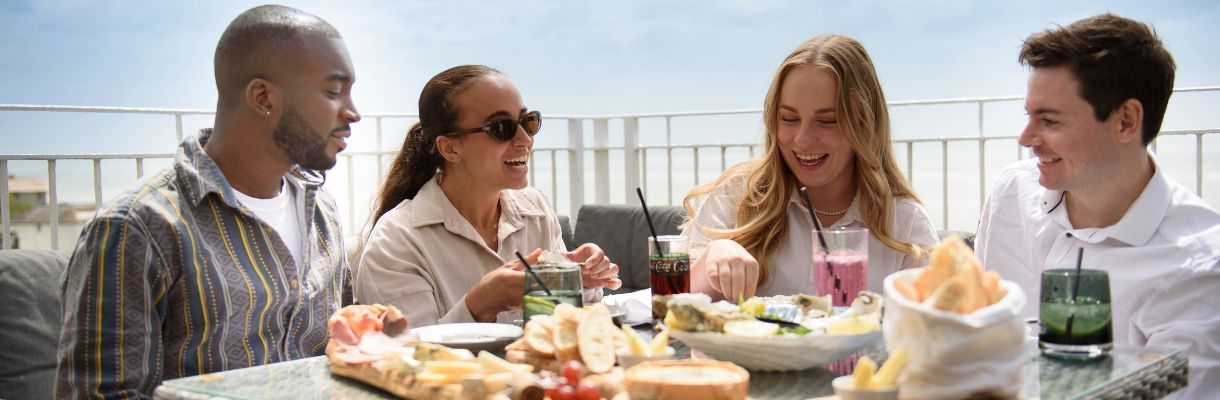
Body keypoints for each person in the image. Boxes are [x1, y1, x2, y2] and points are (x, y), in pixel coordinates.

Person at [55, 5, 360, 397]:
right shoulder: (138, 228)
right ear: (263, 97)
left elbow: (345, 353)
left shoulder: (322, 211)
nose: (354, 112)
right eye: (334, 92)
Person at [975, 13, 1219, 399]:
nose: (1025, 138)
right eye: (1029, 116)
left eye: (1050, 121)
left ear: (1125, 121)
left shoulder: (1197, 269)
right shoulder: (1012, 192)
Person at [355, 65, 620, 326]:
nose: (525, 139)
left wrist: (581, 280)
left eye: (528, 121)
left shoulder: (536, 208)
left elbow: (558, 323)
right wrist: (481, 304)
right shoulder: (397, 241)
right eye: (501, 127)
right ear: (449, 148)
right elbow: (406, 355)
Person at [682, 34, 938, 302]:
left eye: (827, 121)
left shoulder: (905, 223)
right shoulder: (735, 198)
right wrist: (714, 255)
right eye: (789, 118)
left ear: (865, 124)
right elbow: (672, 309)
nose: (803, 139)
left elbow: (931, 332)